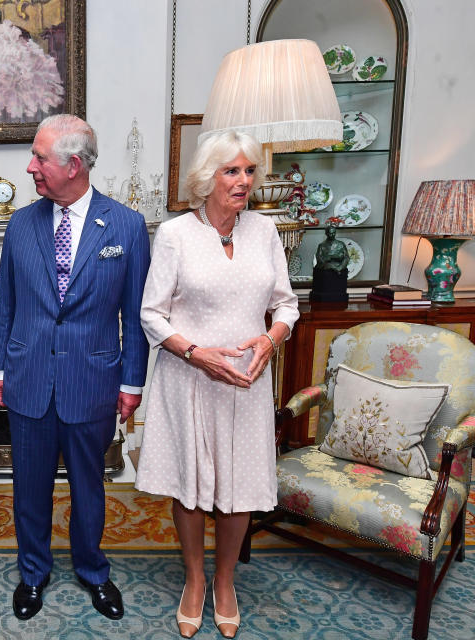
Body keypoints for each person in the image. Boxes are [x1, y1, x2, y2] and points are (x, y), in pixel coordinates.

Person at [134, 130, 299, 638]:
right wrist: (199, 354)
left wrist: (270, 341)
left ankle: (225, 581)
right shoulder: (175, 234)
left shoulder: (266, 231)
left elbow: (287, 304)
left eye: (249, 171)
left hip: (248, 380)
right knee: (191, 486)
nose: (244, 181)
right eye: (232, 171)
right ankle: (195, 580)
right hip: (190, 378)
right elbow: (151, 315)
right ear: (207, 178)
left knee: (240, 486)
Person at [0, 114, 150, 621]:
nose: (31, 167)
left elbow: (136, 314)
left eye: (40, 158)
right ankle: (32, 573)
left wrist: (131, 380)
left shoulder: (124, 225)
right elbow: (7, 306)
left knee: (89, 488)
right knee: (29, 488)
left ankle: (93, 571)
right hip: (28, 379)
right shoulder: (21, 223)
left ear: (74, 165)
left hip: (93, 382)